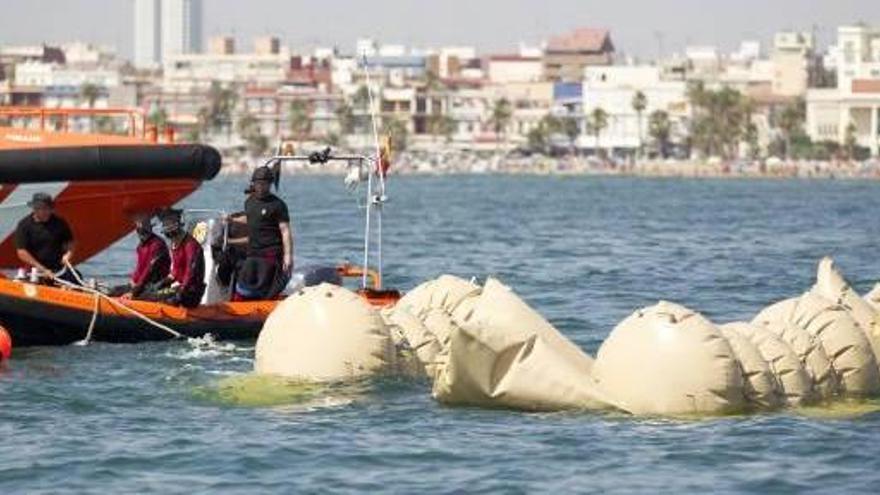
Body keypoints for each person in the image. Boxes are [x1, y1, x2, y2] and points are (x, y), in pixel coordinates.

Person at [229, 166, 293, 300]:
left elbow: (285, 231)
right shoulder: (249, 201)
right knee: (242, 285)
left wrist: (288, 256)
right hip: (253, 251)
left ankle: (266, 305)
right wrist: (232, 220)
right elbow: (251, 218)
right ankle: (240, 307)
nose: (261, 187)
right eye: (258, 183)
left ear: (270, 184)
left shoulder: (278, 205)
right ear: (253, 183)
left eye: (265, 184)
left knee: (265, 286)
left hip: (270, 252)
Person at [141, 208, 205, 308]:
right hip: (180, 287)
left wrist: (180, 293)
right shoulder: (174, 244)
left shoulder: (190, 245)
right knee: (147, 296)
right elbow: (175, 273)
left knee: (157, 299)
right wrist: (160, 284)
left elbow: (190, 273)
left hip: (191, 292)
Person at [14, 192, 81, 285]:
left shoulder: (59, 222)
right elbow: (22, 252)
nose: (45, 212)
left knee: (77, 277)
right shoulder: (24, 225)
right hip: (35, 271)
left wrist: (68, 254)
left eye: (48, 209)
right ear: (35, 209)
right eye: (42, 209)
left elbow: (70, 242)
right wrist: (43, 269)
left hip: (59, 270)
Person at [109, 213, 170, 298]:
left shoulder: (158, 245)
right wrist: (133, 282)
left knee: (124, 293)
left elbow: (149, 271)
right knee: (114, 291)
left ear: (150, 229)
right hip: (142, 284)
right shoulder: (140, 247)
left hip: (154, 286)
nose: (141, 234)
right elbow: (140, 268)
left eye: (144, 230)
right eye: (139, 230)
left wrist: (134, 291)